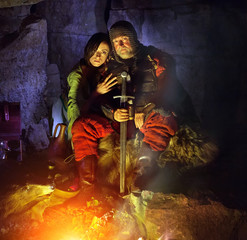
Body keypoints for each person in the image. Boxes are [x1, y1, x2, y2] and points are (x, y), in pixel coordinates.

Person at [71, 20, 199, 193]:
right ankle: (87, 188)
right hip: (119, 122)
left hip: (148, 117)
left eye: (124, 39)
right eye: (116, 42)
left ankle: (142, 174)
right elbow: (101, 101)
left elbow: (167, 88)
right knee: (82, 126)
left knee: (163, 120)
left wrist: (144, 109)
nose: (120, 44)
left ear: (133, 38)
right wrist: (113, 114)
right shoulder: (108, 67)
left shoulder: (155, 59)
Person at [67, 32, 118, 143]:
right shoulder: (76, 77)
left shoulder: (104, 70)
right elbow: (75, 110)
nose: (97, 56)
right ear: (88, 50)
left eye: (103, 52)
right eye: (95, 50)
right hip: (82, 124)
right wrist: (96, 93)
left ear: (108, 56)